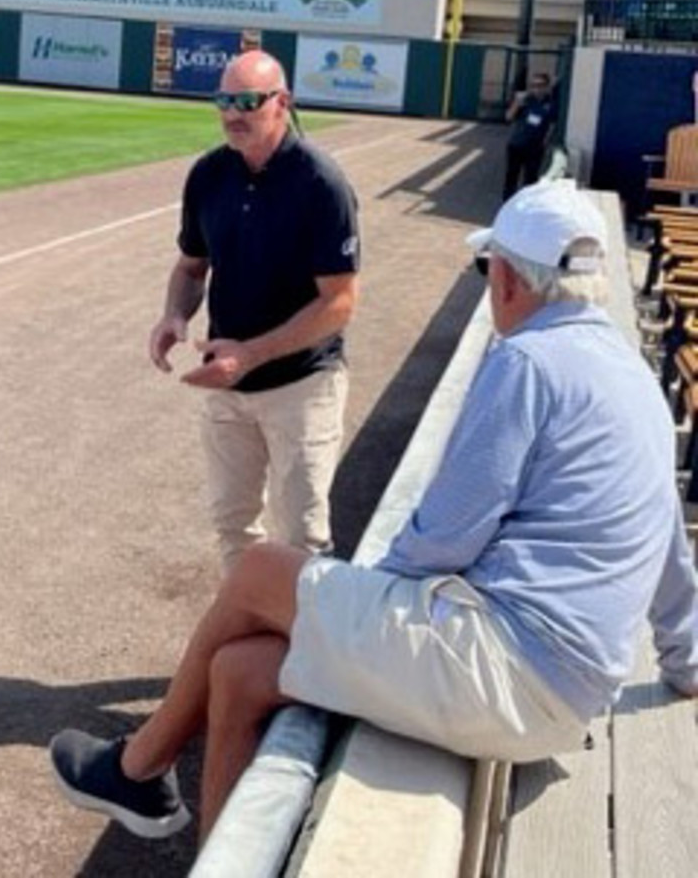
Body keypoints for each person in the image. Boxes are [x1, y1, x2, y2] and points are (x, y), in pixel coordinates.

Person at [52, 179, 698, 845]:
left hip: (504, 672)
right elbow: (671, 553)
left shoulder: (527, 361)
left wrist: (366, 596)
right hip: (562, 692)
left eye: (487, 268)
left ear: (506, 278)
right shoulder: (633, 374)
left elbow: (445, 534)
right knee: (237, 673)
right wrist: (686, 661)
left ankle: (139, 766)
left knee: (260, 570)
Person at [148, 50, 360, 572]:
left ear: (281, 103)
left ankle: (305, 647)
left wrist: (252, 354)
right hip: (230, 387)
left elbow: (339, 301)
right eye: (224, 100)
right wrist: (174, 315)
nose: (232, 113)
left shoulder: (320, 183)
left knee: (303, 537)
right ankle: (249, 633)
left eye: (247, 101)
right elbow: (192, 267)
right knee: (233, 525)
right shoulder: (208, 174)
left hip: (301, 385)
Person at [503, 71, 558, 200]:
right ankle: (507, 202)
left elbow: (552, 125)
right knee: (511, 176)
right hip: (516, 144)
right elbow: (508, 117)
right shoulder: (526, 100)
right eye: (533, 85)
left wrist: (546, 141)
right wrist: (516, 103)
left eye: (540, 85)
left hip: (535, 147)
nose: (536, 88)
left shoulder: (550, 104)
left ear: (546, 86)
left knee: (530, 178)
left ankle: (526, 203)